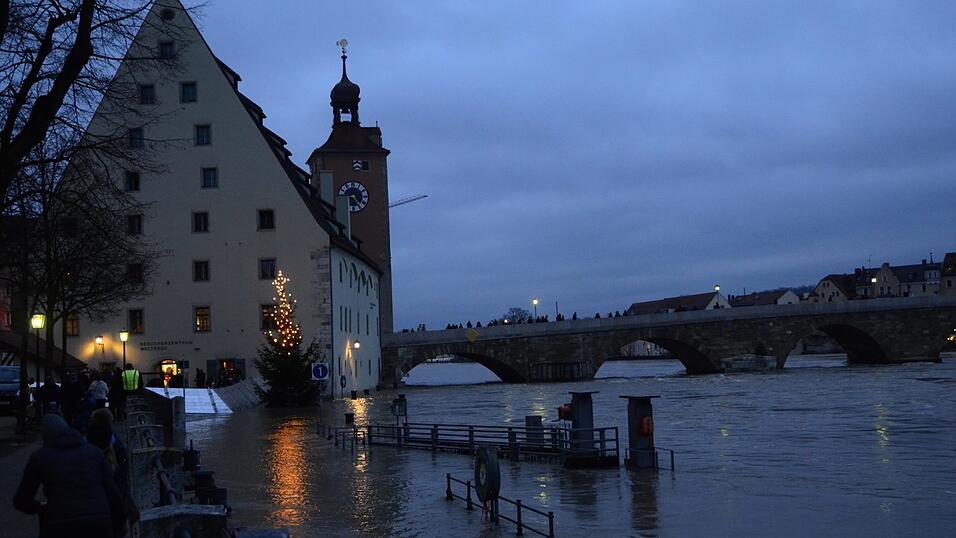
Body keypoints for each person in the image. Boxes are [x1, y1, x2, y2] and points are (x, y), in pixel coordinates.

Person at [13, 414, 126, 537]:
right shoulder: (94, 453)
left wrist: (41, 508)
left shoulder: (40, 457)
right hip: (98, 522)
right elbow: (115, 497)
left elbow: (21, 500)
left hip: (58, 524)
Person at [87, 409, 135, 537]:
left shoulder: (85, 446)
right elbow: (122, 481)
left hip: (90, 509)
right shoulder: (118, 447)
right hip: (111, 509)